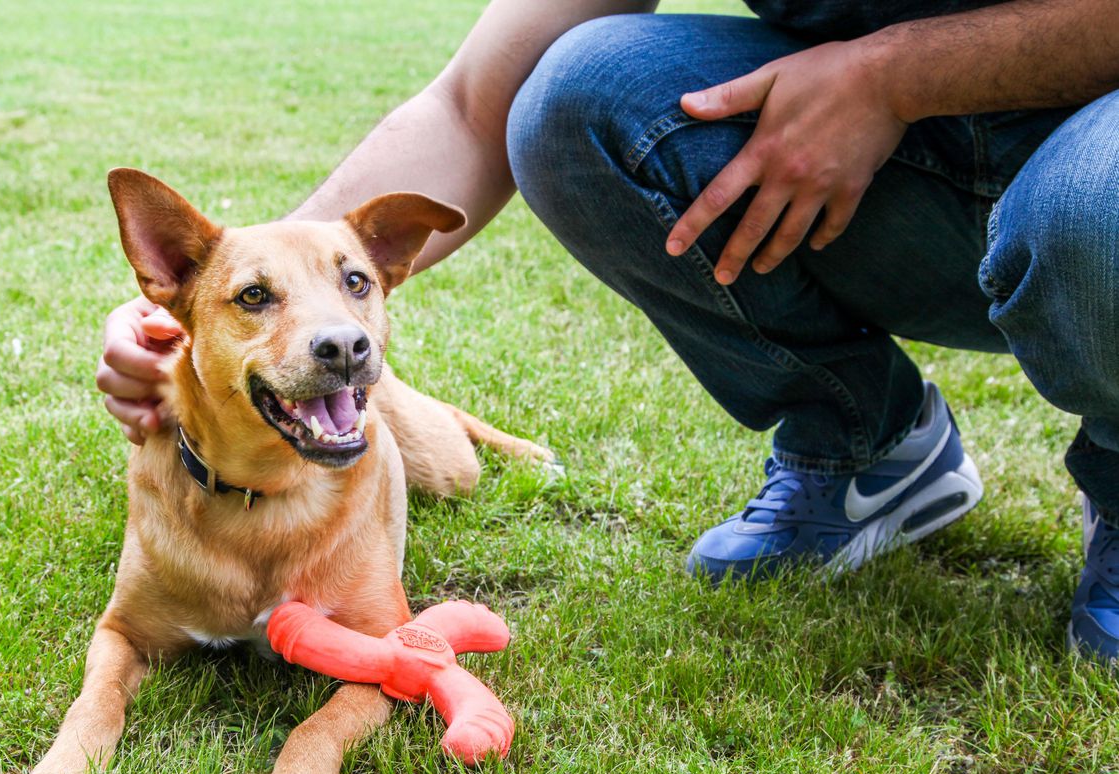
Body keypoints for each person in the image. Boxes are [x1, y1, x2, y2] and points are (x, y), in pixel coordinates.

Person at [96, 1, 1119, 662]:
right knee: (571, 96)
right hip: (892, 169)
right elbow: (469, 105)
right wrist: (226, 291)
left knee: (1093, 208)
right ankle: (869, 444)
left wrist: (895, 77)